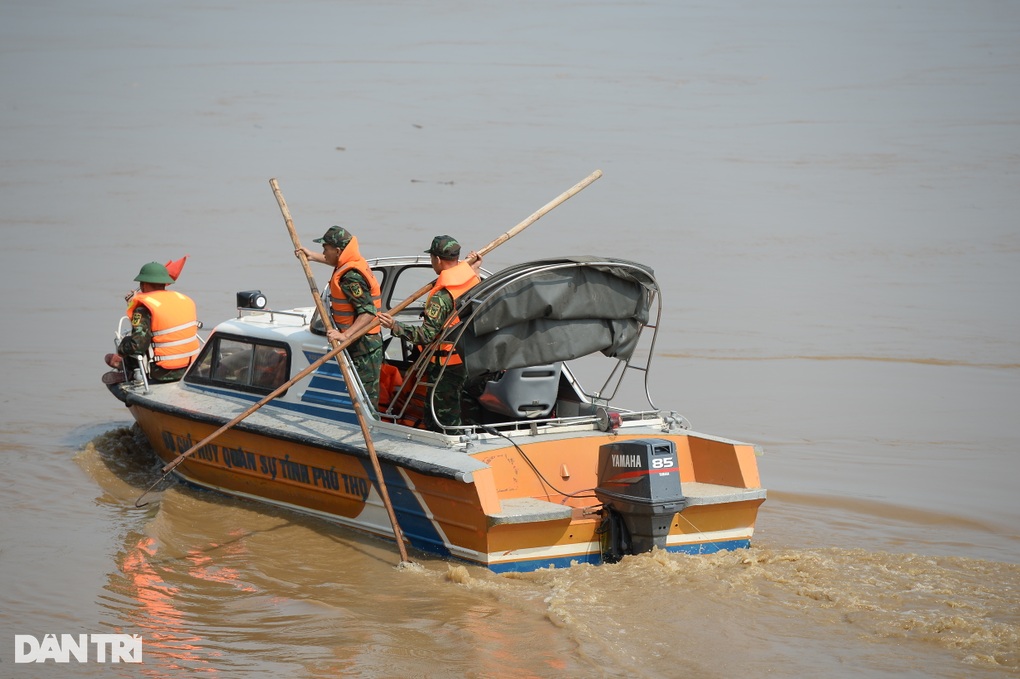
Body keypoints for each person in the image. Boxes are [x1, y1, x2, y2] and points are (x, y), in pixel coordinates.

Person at [378, 235, 482, 431]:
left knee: (442, 417)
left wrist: (394, 326)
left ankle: (451, 450)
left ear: (437, 260)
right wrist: (473, 266)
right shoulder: (473, 280)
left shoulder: (441, 297)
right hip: (466, 359)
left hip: (445, 366)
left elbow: (426, 335)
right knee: (448, 407)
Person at [298, 226, 384, 408]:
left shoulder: (351, 278)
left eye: (325, 249)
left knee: (365, 398)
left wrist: (345, 335)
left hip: (364, 345)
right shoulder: (352, 260)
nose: (324, 253)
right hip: (360, 340)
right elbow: (336, 261)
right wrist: (312, 256)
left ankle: (370, 430)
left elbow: (368, 312)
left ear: (338, 251)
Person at [107, 262, 200, 383]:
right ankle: (126, 368)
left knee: (127, 342)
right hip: (191, 366)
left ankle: (129, 370)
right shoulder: (184, 300)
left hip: (163, 372)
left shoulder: (143, 309)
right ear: (164, 284)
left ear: (143, 284)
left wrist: (121, 350)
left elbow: (137, 345)